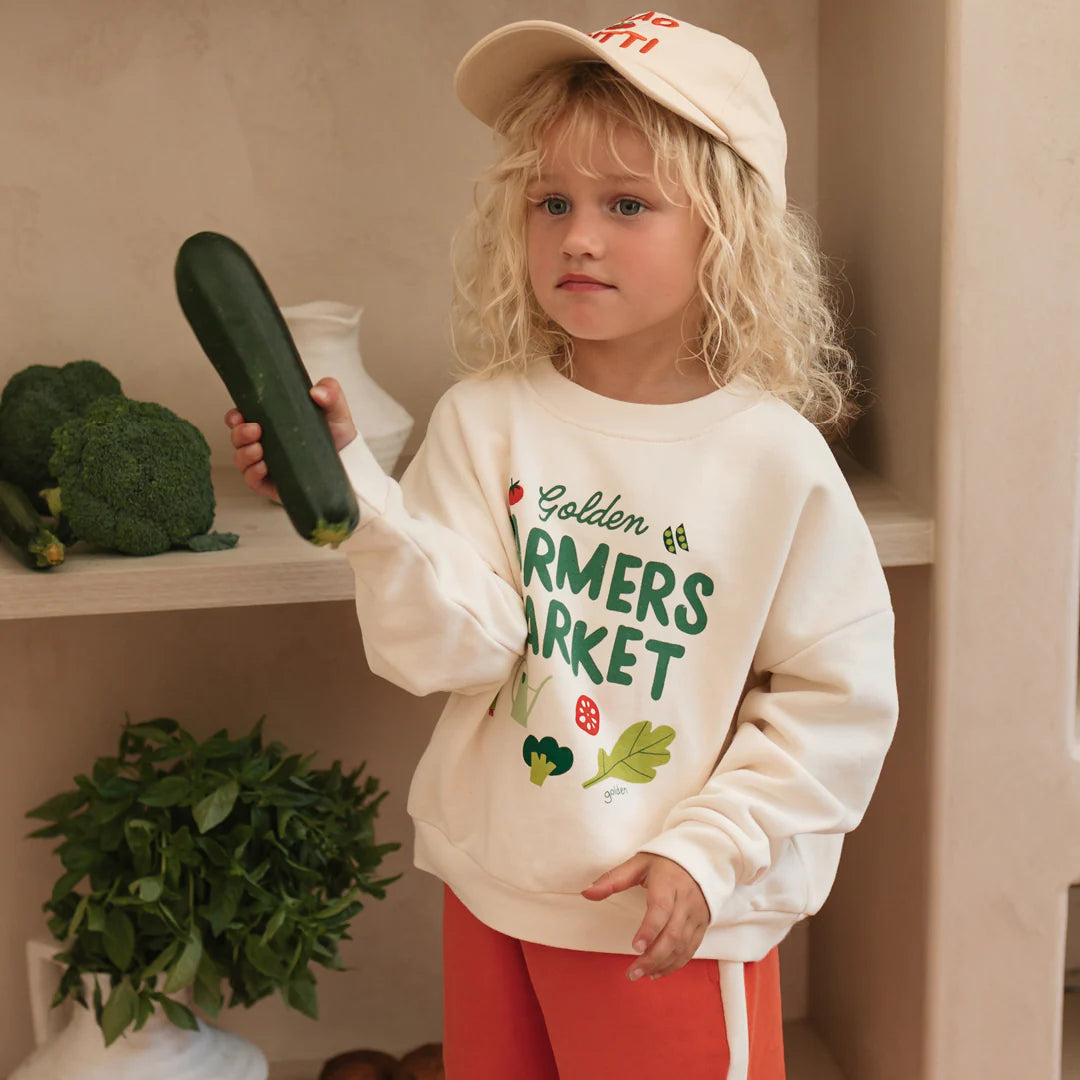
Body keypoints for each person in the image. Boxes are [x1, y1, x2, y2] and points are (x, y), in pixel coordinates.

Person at [227, 13, 898, 1080]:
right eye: (553, 203)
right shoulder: (486, 419)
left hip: (663, 911)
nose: (578, 235)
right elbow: (458, 649)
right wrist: (357, 500)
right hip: (496, 891)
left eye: (626, 204)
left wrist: (706, 849)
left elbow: (836, 701)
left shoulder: (773, 462)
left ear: (726, 231)